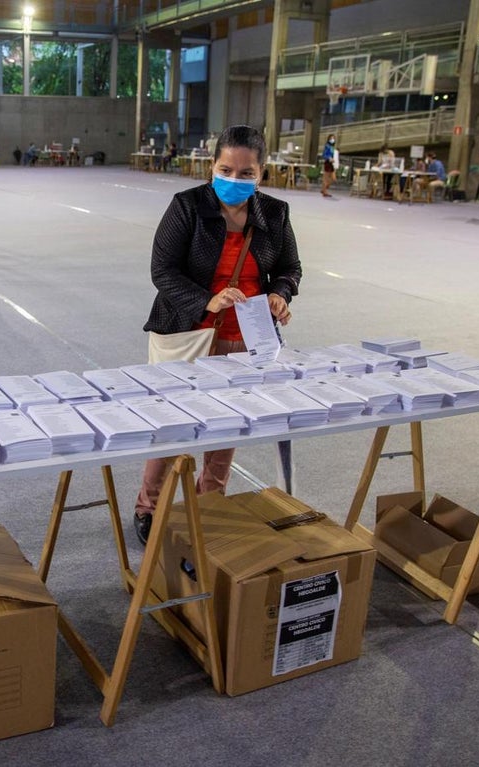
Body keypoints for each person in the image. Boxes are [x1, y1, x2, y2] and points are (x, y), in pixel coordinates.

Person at [132, 124, 301, 546]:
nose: (234, 179)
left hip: (244, 339)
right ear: (212, 166)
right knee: (172, 423)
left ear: (262, 173)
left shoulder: (275, 213)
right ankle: (149, 506)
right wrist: (207, 300)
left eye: (246, 173)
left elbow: (289, 268)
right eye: (226, 170)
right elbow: (162, 271)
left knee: (227, 427)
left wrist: (279, 294)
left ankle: (210, 502)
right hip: (187, 334)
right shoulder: (187, 206)